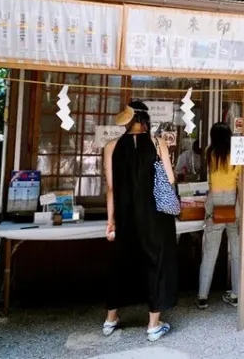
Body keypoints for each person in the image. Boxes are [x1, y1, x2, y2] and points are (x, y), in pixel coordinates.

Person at [103, 101, 177, 342]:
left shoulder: (111, 146)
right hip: (155, 216)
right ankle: (153, 325)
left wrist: (111, 220)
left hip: (125, 216)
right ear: (146, 120)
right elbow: (171, 179)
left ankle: (110, 319)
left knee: (120, 263)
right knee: (156, 262)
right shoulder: (158, 143)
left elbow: (111, 188)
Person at [197, 123, 241, 309]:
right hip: (233, 200)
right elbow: (240, 177)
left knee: (210, 251)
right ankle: (237, 293)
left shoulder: (209, 151)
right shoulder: (237, 152)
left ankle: (202, 295)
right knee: (237, 251)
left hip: (215, 200)